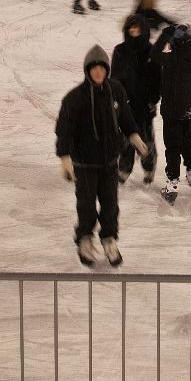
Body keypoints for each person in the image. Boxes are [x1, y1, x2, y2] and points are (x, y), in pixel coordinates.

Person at [55, 45, 144, 267]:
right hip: (84, 163)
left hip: (109, 161)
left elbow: (125, 116)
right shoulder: (74, 98)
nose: (98, 72)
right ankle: (85, 239)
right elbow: (63, 129)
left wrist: (133, 135)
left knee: (110, 205)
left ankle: (109, 238)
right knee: (86, 205)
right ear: (87, 70)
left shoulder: (116, 91)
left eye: (101, 68)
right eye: (93, 69)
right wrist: (64, 158)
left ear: (107, 70)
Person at [153, 23, 191, 204]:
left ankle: (172, 185)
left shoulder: (172, 59)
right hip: (190, 108)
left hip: (174, 110)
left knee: (173, 146)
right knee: (187, 140)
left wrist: (165, 35)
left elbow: (153, 55)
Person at [112, 14, 161, 185]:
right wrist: (117, 100)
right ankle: (124, 168)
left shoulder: (150, 50)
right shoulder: (119, 50)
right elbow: (114, 78)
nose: (134, 30)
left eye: (137, 27)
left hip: (144, 104)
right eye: (131, 27)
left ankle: (149, 166)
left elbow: (157, 79)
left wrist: (153, 100)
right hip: (126, 105)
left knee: (146, 138)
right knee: (125, 140)